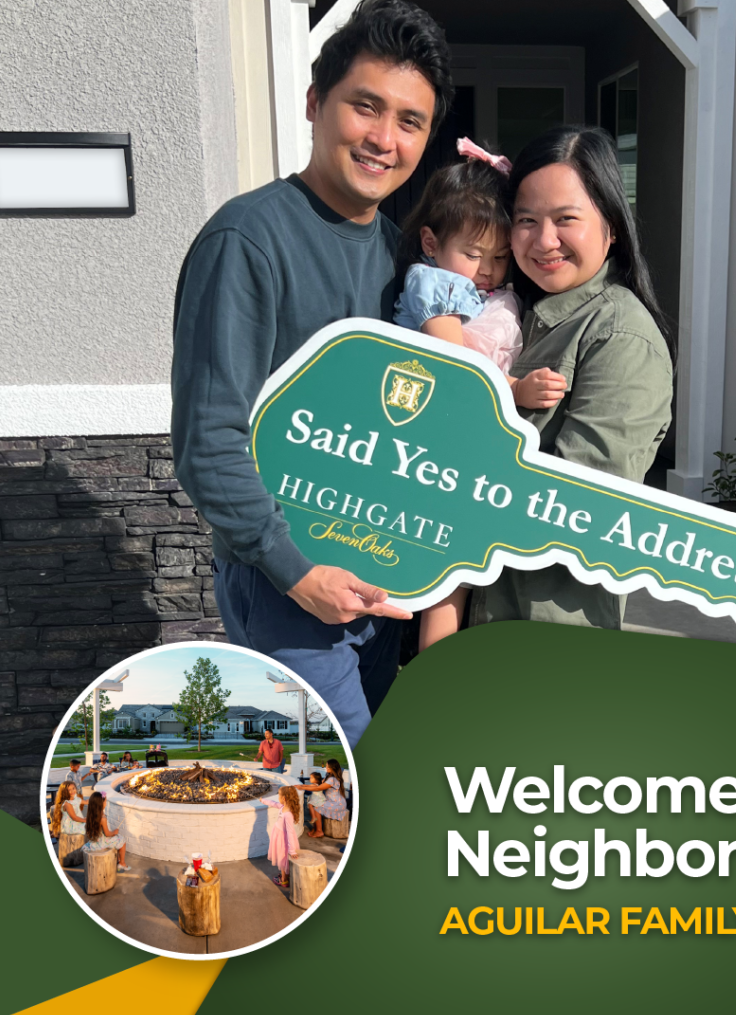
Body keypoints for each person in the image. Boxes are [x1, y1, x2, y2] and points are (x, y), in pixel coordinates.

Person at [171, 0, 454, 748]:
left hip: (377, 589)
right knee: (351, 788)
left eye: (409, 121)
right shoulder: (247, 240)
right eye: (366, 107)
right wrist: (298, 572)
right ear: (314, 104)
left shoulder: (399, 255)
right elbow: (209, 441)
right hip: (289, 589)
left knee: (353, 794)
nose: (383, 139)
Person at [472, 125, 675, 630]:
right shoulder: (511, 315)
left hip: (549, 621)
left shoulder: (620, 335)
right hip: (484, 608)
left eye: (566, 219)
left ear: (610, 228)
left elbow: (586, 505)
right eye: (526, 220)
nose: (544, 241)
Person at [393, 141, 568, 649]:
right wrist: (513, 389)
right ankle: (430, 677)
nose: (487, 268)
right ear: (430, 241)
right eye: (472, 254)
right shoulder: (435, 284)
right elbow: (456, 366)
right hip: (436, 441)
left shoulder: (490, 293)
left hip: (468, 447)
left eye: (498, 256)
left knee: (458, 572)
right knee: (447, 574)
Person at [260, 786, 302, 887]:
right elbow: (273, 804)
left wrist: (292, 851)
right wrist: (263, 800)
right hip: (279, 835)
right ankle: (286, 876)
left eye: (279, 795)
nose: (278, 797)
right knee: (282, 858)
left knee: (282, 858)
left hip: (283, 838)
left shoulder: (287, 814)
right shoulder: (283, 807)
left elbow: (290, 832)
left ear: (284, 798)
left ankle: (283, 880)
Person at [82, 792, 129, 871]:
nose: (106, 803)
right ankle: (122, 863)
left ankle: (117, 860)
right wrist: (114, 832)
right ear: (101, 803)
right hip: (101, 843)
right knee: (122, 840)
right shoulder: (103, 817)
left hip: (93, 841)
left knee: (116, 839)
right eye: (105, 801)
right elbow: (107, 834)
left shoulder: (91, 814)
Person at [294, 771, 327, 837]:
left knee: (310, 804)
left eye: (311, 778)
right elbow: (307, 785)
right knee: (310, 805)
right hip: (316, 799)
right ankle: (315, 828)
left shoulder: (316, 785)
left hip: (318, 800)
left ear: (316, 779)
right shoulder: (316, 784)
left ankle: (315, 823)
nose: (310, 779)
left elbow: (309, 787)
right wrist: (300, 785)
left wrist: (302, 787)